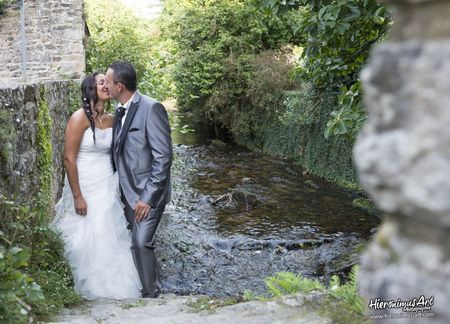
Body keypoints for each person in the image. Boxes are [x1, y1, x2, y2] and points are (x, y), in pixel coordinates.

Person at [52, 72, 142, 300]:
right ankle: (90, 286)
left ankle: (116, 288)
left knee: (109, 229)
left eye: (107, 82)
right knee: (88, 232)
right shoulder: (79, 118)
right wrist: (77, 196)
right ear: (91, 89)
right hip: (85, 181)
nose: (107, 85)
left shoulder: (112, 119)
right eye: (102, 82)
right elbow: (69, 159)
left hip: (106, 182)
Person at [106, 61, 172, 298]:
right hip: (126, 192)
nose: (105, 85)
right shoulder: (120, 109)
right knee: (134, 243)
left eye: (108, 81)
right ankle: (151, 285)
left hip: (147, 194)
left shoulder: (151, 108)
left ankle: (151, 296)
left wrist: (147, 198)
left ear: (120, 86)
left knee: (141, 242)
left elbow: (163, 157)